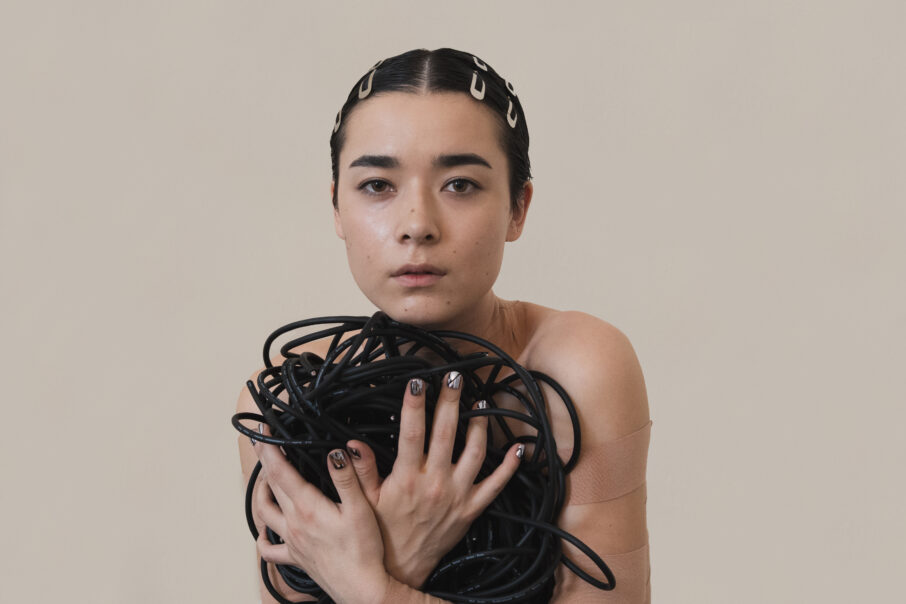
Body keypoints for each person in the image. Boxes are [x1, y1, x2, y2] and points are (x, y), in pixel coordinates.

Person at [236, 47, 652, 603]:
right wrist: (405, 556)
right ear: (336, 207)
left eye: (459, 184)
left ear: (517, 209)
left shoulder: (582, 367)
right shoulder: (290, 403)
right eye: (378, 186)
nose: (417, 225)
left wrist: (374, 584)